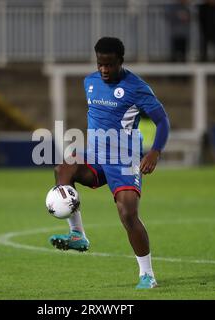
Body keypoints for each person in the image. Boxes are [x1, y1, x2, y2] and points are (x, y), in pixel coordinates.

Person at [49, 37, 170, 289]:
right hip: (95, 155)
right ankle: (78, 234)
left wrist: (155, 152)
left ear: (120, 61)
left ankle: (147, 275)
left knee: (127, 213)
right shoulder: (89, 82)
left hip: (124, 159)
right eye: (100, 64)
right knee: (64, 168)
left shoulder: (136, 87)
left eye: (109, 65)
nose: (104, 70)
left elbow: (163, 121)